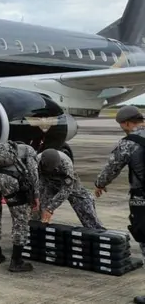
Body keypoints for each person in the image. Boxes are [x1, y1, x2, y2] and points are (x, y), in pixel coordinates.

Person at [93, 106, 145, 304]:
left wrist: (100, 184)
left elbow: (112, 168)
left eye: (122, 125)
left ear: (127, 123)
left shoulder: (129, 143)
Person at [0, 141, 40, 272]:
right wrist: (35, 195)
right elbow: (33, 173)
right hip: (10, 181)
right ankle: (16, 261)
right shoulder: (28, 150)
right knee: (20, 220)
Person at [34, 148, 104, 229]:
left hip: (68, 184)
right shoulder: (36, 162)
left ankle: (96, 230)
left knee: (85, 207)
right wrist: (37, 198)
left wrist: (50, 209)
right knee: (38, 208)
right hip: (47, 183)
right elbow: (35, 181)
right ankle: (36, 230)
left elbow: (67, 189)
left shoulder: (66, 163)